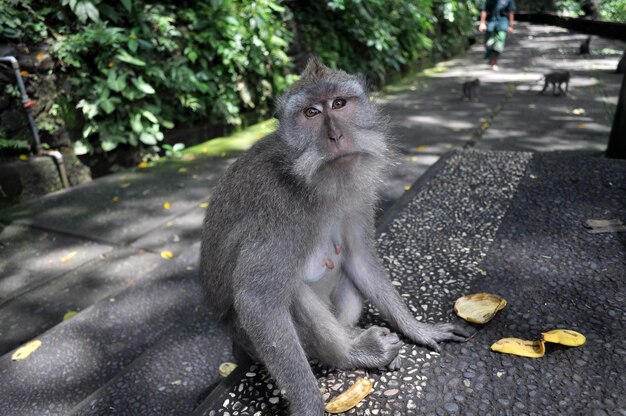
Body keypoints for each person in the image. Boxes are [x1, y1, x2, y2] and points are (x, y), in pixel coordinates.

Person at [478, 0, 516, 71]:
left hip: (502, 23)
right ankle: (490, 57)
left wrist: (511, 26)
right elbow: (484, 9)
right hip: (491, 23)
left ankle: (494, 62)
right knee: (488, 43)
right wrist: (482, 23)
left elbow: (511, 12)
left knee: (499, 44)